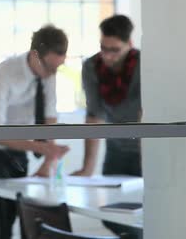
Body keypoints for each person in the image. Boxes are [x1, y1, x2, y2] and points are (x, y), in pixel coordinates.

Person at [0, 25, 71, 239]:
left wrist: (48, 159)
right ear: (35, 55)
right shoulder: (3, 74)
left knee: (26, 215)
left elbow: (49, 115)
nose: (53, 74)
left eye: (58, 68)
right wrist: (43, 148)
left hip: (19, 151)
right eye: (50, 67)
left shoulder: (48, 72)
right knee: (0, 222)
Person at [73, 14, 143, 238]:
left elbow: (146, 114)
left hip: (145, 150)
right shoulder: (92, 66)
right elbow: (94, 117)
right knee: (110, 215)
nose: (108, 56)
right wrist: (87, 168)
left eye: (115, 49)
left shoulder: (144, 64)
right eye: (104, 48)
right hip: (116, 150)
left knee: (147, 214)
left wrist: (150, 161)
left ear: (129, 45)